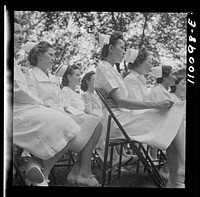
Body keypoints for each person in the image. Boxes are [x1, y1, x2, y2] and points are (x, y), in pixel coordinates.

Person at [94, 31, 186, 188]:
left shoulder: (112, 70)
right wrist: (156, 105)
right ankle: (180, 170)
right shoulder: (103, 69)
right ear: (110, 48)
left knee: (174, 118)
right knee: (172, 117)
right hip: (116, 122)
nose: (124, 51)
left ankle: (174, 180)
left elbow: (123, 102)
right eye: (122, 47)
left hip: (124, 116)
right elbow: (121, 101)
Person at [19, 38, 102, 186]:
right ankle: (46, 174)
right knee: (71, 124)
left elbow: (60, 102)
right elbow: (32, 100)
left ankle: (79, 172)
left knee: (97, 124)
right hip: (43, 116)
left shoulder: (53, 78)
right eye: (50, 55)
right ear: (39, 56)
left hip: (59, 112)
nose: (53, 58)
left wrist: (69, 111)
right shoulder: (31, 75)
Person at [80, 71, 137, 169]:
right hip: (94, 118)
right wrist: (98, 116)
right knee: (104, 132)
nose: (96, 82)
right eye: (94, 80)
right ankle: (114, 158)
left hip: (102, 116)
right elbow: (87, 109)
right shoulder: (85, 95)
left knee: (111, 129)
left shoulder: (98, 96)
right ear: (87, 81)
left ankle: (123, 155)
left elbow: (104, 107)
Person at [149, 67, 186, 182]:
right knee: (180, 127)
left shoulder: (166, 92)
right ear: (164, 77)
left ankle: (174, 174)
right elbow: (159, 111)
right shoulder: (157, 91)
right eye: (172, 74)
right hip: (158, 126)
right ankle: (172, 170)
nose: (174, 77)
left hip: (166, 125)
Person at [123, 48, 159, 163]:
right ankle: (151, 157)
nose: (151, 65)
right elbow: (137, 103)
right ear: (139, 62)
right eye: (149, 61)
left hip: (142, 112)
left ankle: (155, 157)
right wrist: (156, 107)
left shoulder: (141, 78)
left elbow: (145, 100)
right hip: (134, 116)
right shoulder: (130, 79)